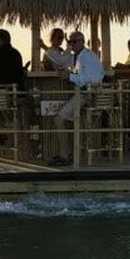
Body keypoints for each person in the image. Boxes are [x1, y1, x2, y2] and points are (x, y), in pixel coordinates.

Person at [51, 31, 104, 165]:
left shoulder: (87, 57)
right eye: (69, 42)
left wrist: (70, 77)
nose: (71, 45)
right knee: (62, 119)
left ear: (82, 41)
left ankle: (65, 156)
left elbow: (91, 79)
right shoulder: (81, 56)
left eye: (74, 42)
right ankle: (67, 153)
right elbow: (60, 60)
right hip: (84, 93)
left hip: (87, 94)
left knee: (59, 119)